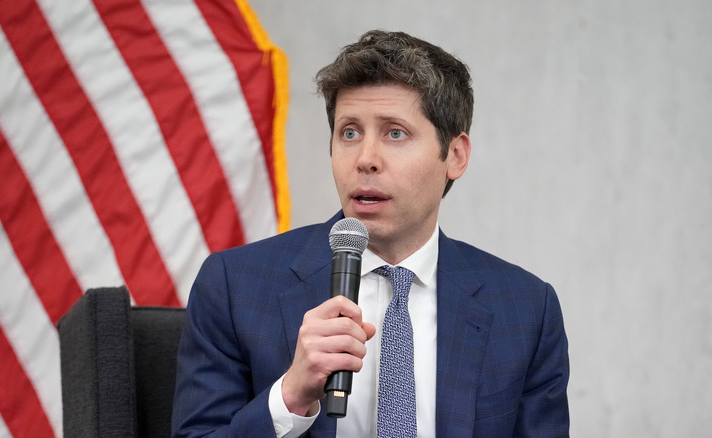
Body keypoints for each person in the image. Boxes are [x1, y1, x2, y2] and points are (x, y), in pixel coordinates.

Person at [172, 30, 569, 437]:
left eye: (395, 133)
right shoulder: (234, 286)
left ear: (455, 155)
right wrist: (289, 397)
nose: (365, 159)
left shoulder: (526, 310)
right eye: (350, 132)